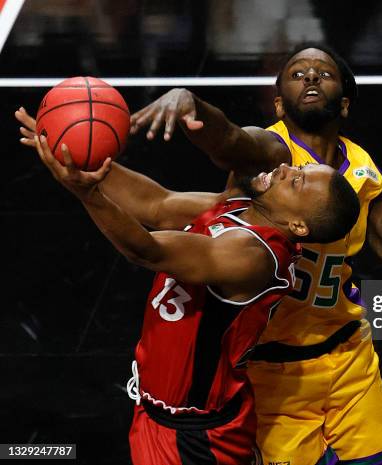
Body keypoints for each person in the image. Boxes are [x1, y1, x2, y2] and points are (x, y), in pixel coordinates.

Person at [17, 42, 382, 464]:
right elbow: (221, 147)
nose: (310, 77)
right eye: (295, 73)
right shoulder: (269, 159)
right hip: (272, 375)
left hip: (346, 355)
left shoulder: (360, 178)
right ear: (276, 103)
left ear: (346, 101)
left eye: (323, 72)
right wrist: (189, 103)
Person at [28, 132, 360, 465]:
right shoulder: (240, 206)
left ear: (297, 225)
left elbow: (146, 250)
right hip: (161, 412)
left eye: (297, 183)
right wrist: (77, 152)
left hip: (194, 439)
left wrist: (87, 193)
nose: (286, 169)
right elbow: (156, 204)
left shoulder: (253, 257)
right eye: (296, 168)